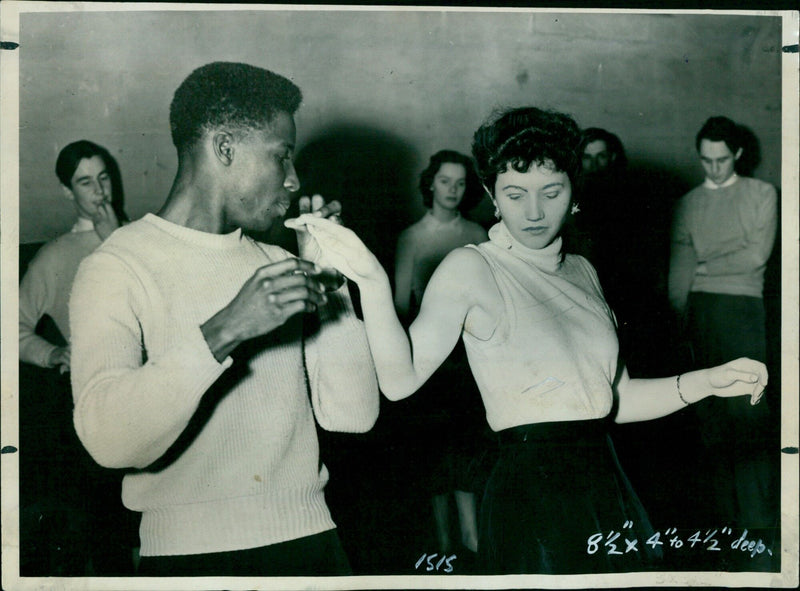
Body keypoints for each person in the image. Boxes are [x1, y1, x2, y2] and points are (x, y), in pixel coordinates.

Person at [287, 106, 769, 575]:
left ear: (573, 190)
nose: (534, 212)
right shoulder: (472, 267)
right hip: (534, 494)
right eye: (515, 194)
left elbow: (614, 400)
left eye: (551, 191)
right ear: (491, 194)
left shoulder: (583, 270)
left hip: (608, 482)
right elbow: (399, 380)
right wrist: (369, 278)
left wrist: (708, 379)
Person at [69, 62, 379, 576]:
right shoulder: (115, 265)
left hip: (312, 544)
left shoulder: (279, 264)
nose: (295, 178)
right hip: (189, 560)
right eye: (282, 155)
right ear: (225, 147)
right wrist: (227, 328)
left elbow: (353, 414)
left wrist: (330, 270)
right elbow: (108, 440)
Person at [668, 116, 779, 535]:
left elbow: (755, 258)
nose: (713, 168)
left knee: (747, 407)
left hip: (743, 309)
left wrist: (703, 261)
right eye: (705, 161)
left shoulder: (762, 193)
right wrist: (678, 315)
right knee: (708, 411)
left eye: (721, 160)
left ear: (738, 155)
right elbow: (679, 272)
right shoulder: (688, 202)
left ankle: (760, 520)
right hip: (700, 309)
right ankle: (725, 522)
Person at [393, 150, 488, 559]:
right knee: (434, 451)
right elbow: (398, 306)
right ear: (430, 183)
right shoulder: (411, 238)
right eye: (445, 180)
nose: (452, 189)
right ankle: (445, 548)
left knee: (469, 447)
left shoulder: (480, 234)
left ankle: (472, 540)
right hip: (429, 361)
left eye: (461, 182)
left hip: (471, 359)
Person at [19, 140, 124, 372]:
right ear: (68, 191)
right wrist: (51, 353)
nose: (99, 190)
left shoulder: (140, 232)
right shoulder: (53, 257)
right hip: (100, 380)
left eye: (103, 177)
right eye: (85, 182)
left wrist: (114, 237)